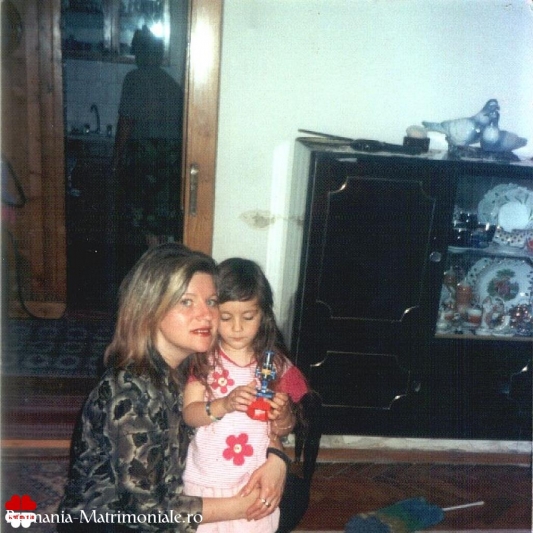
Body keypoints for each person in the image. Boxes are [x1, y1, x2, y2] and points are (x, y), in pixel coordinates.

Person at [58, 244, 290, 532]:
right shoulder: (128, 393)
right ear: (150, 309)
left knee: (288, 497)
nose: (206, 315)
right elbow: (147, 512)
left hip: (182, 490)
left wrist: (277, 459)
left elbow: (256, 421)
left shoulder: (196, 364)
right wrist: (244, 506)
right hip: (114, 523)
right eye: (186, 302)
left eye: (212, 301)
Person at [182, 258, 309, 532]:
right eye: (226, 318)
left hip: (255, 479)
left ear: (263, 316)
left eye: (248, 317)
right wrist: (223, 404)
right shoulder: (204, 360)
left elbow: (285, 427)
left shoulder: (275, 365)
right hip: (208, 477)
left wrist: (283, 415)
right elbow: (190, 414)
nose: (237, 328)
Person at [111, 25, 184, 284]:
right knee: (162, 216)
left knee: (144, 215)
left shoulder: (134, 78)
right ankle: (164, 271)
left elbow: (126, 122)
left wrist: (116, 159)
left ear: (141, 53)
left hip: (146, 155)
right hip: (171, 155)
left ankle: (155, 273)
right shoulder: (171, 83)